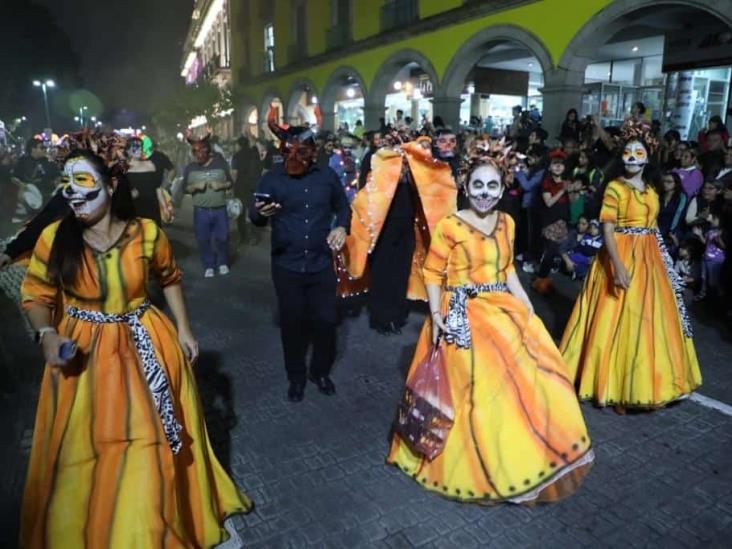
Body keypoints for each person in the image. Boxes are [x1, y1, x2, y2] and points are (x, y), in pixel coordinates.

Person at [19, 138, 251, 547]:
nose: (72, 191)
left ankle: (147, 531)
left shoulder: (146, 234)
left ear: (110, 184)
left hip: (145, 349)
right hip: (83, 361)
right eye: (66, 182)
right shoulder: (54, 238)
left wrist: (184, 329)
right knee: (86, 451)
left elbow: (171, 279)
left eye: (83, 179)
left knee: (148, 444)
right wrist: (47, 333)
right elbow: (37, 296)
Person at [386, 160, 594, 504]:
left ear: (501, 189)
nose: (484, 194)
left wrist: (525, 302)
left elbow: (507, 266)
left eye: (492, 186)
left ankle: (515, 456)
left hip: (500, 308)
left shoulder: (507, 222)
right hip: (460, 314)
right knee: (476, 390)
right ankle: (477, 464)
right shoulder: (450, 225)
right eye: (478, 186)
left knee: (535, 378)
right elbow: (433, 272)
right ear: (466, 188)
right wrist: (437, 315)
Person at [560, 123, 701, 412]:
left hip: (650, 258)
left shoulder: (651, 188)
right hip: (622, 253)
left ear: (648, 156)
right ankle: (616, 383)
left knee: (650, 321)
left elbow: (652, 226)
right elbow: (608, 230)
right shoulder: (614, 187)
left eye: (639, 152)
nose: (633, 157)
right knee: (617, 318)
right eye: (628, 152)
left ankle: (654, 381)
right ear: (622, 155)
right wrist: (618, 265)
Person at [250, 121, 350, 402]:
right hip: (287, 266)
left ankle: (319, 372)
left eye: (301, 152)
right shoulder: (272, 178)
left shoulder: (327, 176)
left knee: (327, 322)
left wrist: (341, 226)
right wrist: (260, 212)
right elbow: (255, 215)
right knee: (292, 325)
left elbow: (343, 206)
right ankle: (295, 377)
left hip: (321, 265)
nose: (294, 157)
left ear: (313, 152)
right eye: (288, 151)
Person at [339, 136, 457, 334]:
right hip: (382, 226)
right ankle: (381, 317)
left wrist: (409, 171)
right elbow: (366, 189)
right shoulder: (376, 157)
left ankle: (397, 313)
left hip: (407, 223)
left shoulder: (412, 160)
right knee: (382, 271)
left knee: (402, 270)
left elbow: (428, 182)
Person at [183, 135, 233, 278]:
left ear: (207, 151)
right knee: (203, 239)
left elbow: (230, 182)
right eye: (194, 152)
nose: (197, 155)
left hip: (220, 209)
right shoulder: (190, 168)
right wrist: (194, 187)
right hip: (200, 211)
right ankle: (209, 265)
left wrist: (221, 185)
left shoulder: (220, 164)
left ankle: (223, 262)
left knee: (222, 237)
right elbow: (184, 189)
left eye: (200, 152)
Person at [231, 134, 263, 243]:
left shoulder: (237, 156)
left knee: (240, 212)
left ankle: (243, 237)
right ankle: (254, 236)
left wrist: (230, 187)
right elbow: (260, 169)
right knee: (253, 212)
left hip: (241, 187)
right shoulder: (254, 154)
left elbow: (235, 174)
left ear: (239, 145)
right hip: (254, 186)